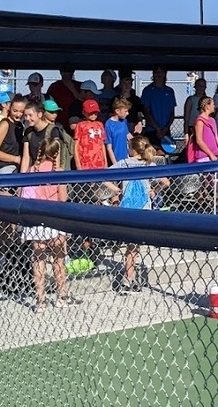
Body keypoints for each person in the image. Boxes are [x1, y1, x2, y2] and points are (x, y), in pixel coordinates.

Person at [18, 135, 76, 312]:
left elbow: (23, 193)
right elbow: (63, 197)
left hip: (36, 219)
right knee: (58, 259)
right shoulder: (58, 173)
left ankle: (40, 299)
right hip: (54, 217)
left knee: (38, 259)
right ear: (57, 153)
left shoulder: (31, 170)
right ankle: (62, 296)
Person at [106, 135, 169, 293]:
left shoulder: (124, 163)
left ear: (133, 149)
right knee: (133, 247)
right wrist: (154, 191)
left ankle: (130, 278)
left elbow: (104, 177)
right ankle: (129, 279)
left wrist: (118, 191)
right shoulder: (149, 164)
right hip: (143, 209)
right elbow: (166, 182)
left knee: (132, 247)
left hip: (127, 209)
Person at [0, 95, 26, 174]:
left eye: (21, 112)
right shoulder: (5, 124)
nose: (18, 115)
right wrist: (16, 159)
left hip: (16, 168)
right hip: (3, 169)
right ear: (10, 108)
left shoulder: (19, 125)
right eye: (15, 111)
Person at [139, 68, 177, 147]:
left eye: (161, 71)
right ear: (153, 74)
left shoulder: (170, 91)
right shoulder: (147, 90)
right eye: (157, 72)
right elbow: (146, 112)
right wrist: (157, 128)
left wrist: (166, 128)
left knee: (165, 154)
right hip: (151, 130)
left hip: (165, 131)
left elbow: (172, 112)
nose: (159, 74)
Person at [105, 97, 143, 164]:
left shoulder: (124, 121)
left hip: (126, 158)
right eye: (125, 111)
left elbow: (128, 135)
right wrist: (115, 164)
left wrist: (140, 143)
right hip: (116, 159)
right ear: (117, 111)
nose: (128, 113)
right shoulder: (109, 124)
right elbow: (109, 147)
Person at [72, 100, 108, 171]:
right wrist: (78, 164)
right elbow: (76, 146)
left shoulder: (100, 124)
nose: (93, 115)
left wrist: (105, 162)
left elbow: (102, 144)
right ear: (84, 113)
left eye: (95, 113)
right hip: (85, 162)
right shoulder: (80, 125)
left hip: (99, 161)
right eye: (90, 113)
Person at [188, 97, 218, 163]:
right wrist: (210, 154)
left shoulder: (212, 120)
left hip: (215, 154)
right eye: (212, 104)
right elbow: (199, 140)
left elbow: (216, 137)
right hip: (204, 156)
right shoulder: (200, 121)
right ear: (207, 106)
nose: (214, 106)